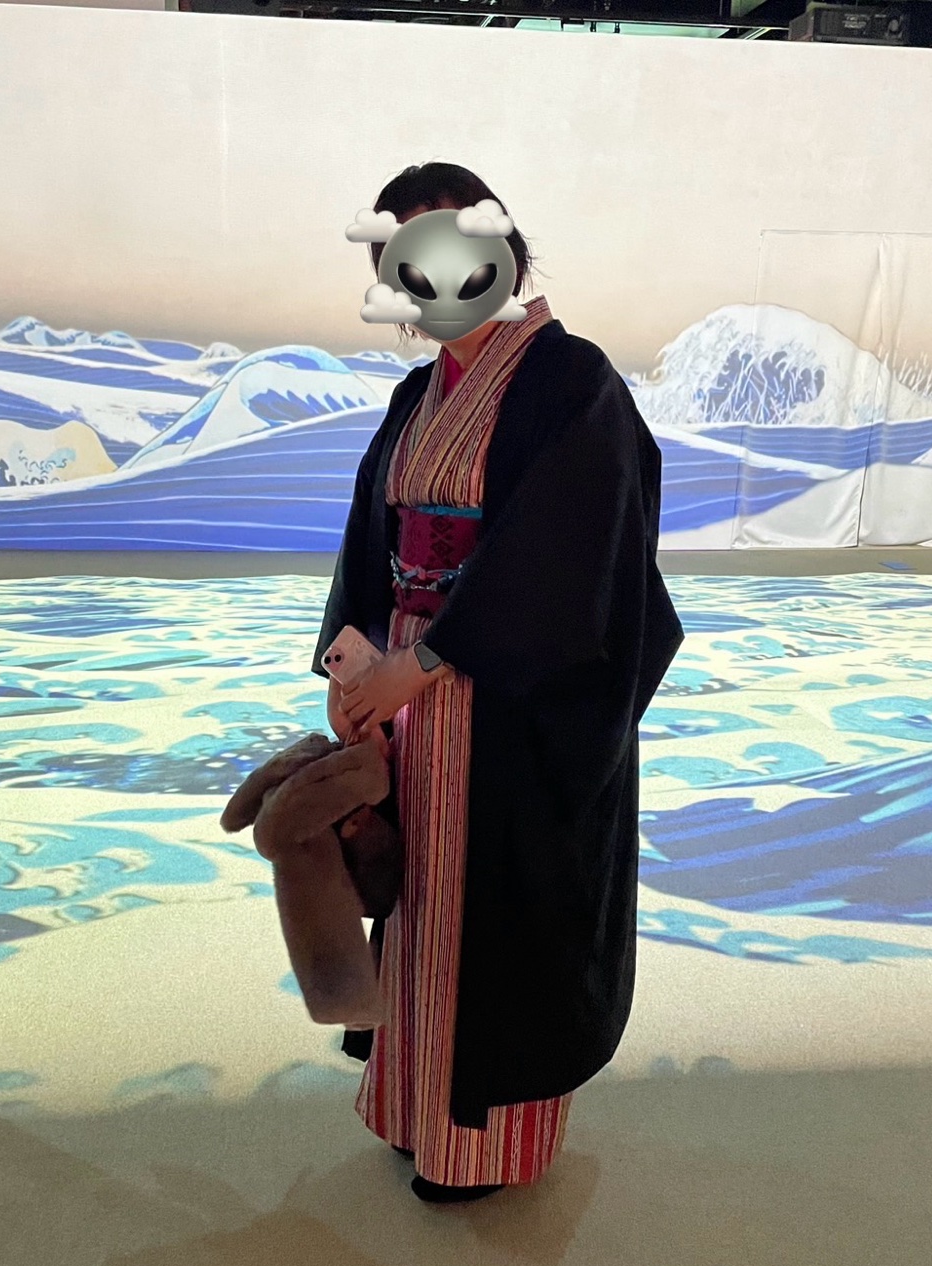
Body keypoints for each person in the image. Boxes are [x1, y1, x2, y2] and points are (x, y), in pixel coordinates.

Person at [312, 162, 684, 1205]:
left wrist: (423, 662)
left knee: (496, 913)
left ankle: (484, 1145)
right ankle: (412, 1109)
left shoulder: (571, 381)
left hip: (507, 698)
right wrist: (354, 659)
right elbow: (375, 539)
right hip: (407, 683)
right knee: (417, 899)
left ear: (504, 253)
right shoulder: (417, 394)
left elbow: (568, 558)